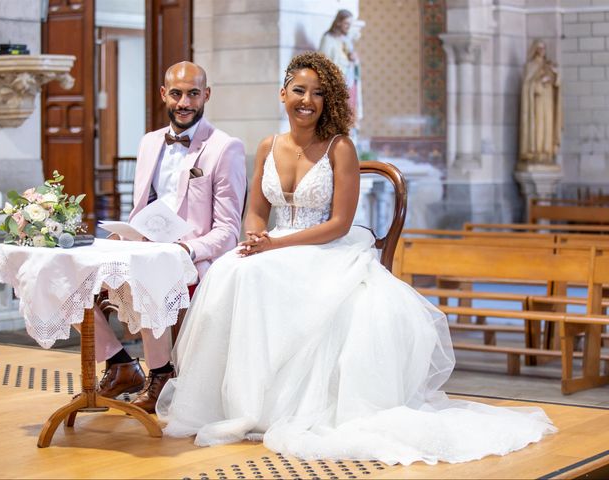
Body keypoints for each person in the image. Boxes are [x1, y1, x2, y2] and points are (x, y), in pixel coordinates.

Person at [156, 52, 555, 465]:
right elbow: (255, 208)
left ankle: (283, 407)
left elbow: (341, 224)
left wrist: (275, 246)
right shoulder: (267, 145)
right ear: (283, 94)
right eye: (299, 90)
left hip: (324, 248)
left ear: (329, 101)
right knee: (231, 272)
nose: (307, 100)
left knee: (257, 276)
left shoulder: (339, 147)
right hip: (274, 243)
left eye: (318, 93)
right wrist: (257, 233)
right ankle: (243, 403)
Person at [90, 61, 247, 413]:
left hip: (192, 259)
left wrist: (185, 249)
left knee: (153, 270)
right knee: (70, 278)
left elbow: (227, 231)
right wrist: (125, 236)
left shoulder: (225, 147)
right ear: (164, 95)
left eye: (193, 93)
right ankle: (118, 364)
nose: (184, 102)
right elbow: (141, 210)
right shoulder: (148, 143)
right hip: (145, 249)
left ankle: (161, 374)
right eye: (176, 93)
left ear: (206, 95)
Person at [519, 39, 562, 168]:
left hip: (548, 101)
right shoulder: (530, 65)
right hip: (536, 102)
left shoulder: (549, 65)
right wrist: (539, 83)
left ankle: (546, 154)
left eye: (544, 48)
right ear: (535, 49)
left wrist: (555, 76)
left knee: (548, 125)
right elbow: (527, 86)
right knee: (538, 125)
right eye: (539, 48)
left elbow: (557, 84)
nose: (542, 51)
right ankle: (535, 153)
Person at [319, 9, 362, 127]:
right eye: (346, 24)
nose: (348, 27)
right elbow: (322, 62)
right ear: (338, 22)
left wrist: (354, 59)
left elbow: (352, 59)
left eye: (350, 24)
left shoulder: (346, 40)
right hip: (336, 83)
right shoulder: (328, 39)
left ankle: (350, 137)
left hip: (349, 81)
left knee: (350, 113)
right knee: (337, 115)